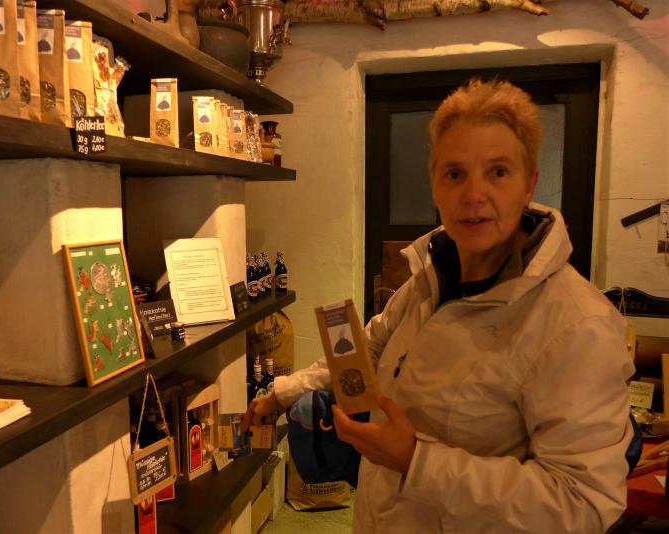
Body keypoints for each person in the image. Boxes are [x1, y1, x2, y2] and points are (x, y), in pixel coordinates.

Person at [244, 79, 634, 533]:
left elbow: (582, 504)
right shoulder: (429, 279)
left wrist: (415, 461)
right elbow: (366, 349)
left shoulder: (578, 324)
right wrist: (282, 393)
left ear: (529, 184)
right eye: (454, 173)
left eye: (498, 172)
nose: (473, 194)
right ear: (434, 185)